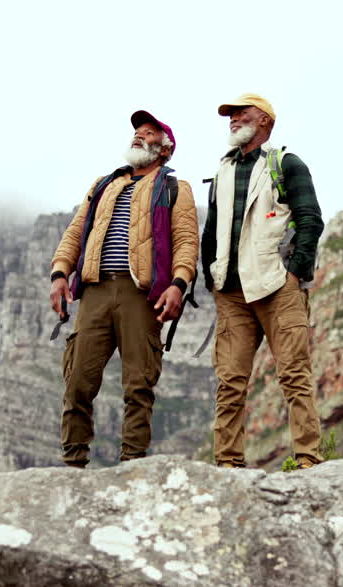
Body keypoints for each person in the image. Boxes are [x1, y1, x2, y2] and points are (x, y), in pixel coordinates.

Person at [49, 110, 199, 467]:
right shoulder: (104, 184)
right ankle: (73, 464)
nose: (138, 137)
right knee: (78, 381)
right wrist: (59, 273)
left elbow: (187, 242)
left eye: (148, 133)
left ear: (164, 150)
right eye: (137, 132)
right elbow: (75, 232)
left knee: (138, 384)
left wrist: (178, 284)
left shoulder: (174, 187)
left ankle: (132, 466)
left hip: (140, 295)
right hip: (96, 290)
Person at [200, 93, 325, 469]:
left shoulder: (286, 163)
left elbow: (310, 219)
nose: (233, 120)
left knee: (294, 375)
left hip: (277, 287)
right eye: (231, 116)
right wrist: (210, 274)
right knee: (230, 382)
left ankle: (307, 460)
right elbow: (211, 231)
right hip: (231, 292)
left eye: (241, 114)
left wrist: (295, 272)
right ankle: (228, 464)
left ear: (264, 122)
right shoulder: (221, 172)